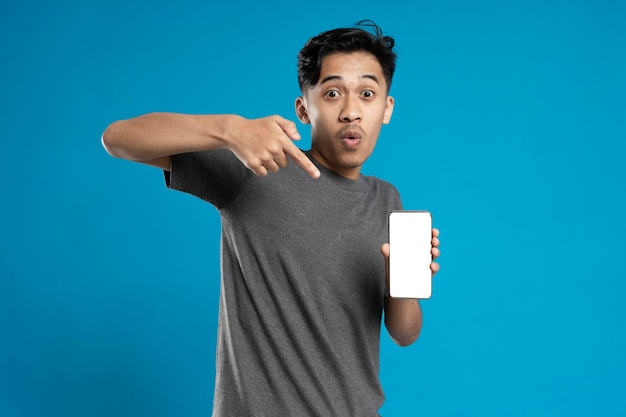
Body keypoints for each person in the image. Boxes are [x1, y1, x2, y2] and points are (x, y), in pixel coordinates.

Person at [102, 20, 440, 417]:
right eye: (332, 93)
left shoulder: (388, 199)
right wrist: (229, 130)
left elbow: (405, 333)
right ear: (303, 108)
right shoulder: (259, 165)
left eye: (367, 93)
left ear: (386, 109)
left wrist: (403, 282)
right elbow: (118, 138)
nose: (351, 112)